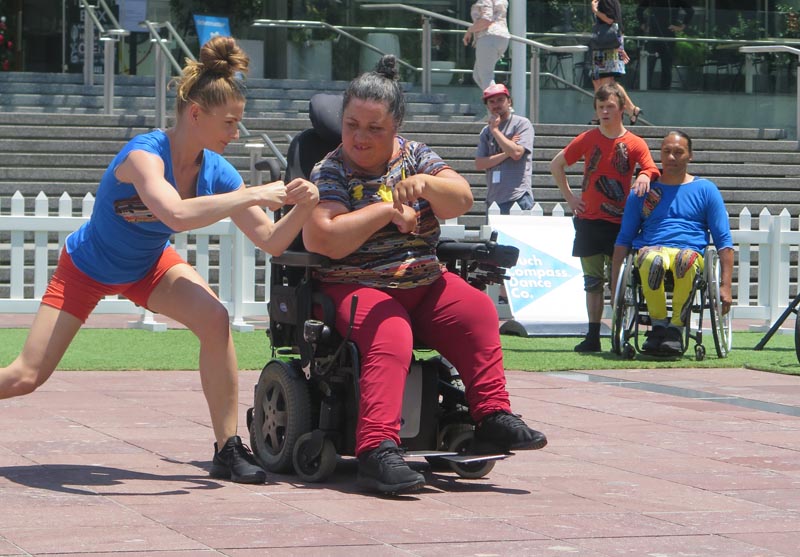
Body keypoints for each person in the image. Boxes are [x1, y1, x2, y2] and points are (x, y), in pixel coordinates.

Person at [0, 36, 319, 484]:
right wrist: (252, 194)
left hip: (148, 267)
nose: (236, 133)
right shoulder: (143, 155)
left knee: (215, 319)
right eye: (229, 123)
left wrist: (305, 205)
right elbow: (175, 214)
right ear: (195, 114)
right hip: (86, 268)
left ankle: (227, 447)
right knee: (26, 376)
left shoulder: (218, 172)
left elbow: (271, 241)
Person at [303, 55, 547, 495]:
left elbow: (461, 198)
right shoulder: (332, 168)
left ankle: (492, 415)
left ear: (395, 126)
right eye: (351, 125)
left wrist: (428, 185)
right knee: (389, 330)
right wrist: (384, 211)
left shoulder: (415, 155)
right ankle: (377, 449)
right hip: (354, 285)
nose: (360, 137)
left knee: (476, 310)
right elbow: (325, 238)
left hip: (422, 281)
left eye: (374, 128)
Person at [549, 82, 659, 353]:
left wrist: (644, 176)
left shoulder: (634, 142)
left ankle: (619, 333)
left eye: (610, 106)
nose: (605, 112)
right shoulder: (588, 138)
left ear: (621, 109)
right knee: (592, 281)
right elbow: (557, 164)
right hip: (589, 221)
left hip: (621, 224)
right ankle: (593, 335)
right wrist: (570, 198)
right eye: (601, 107)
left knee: (619, 282)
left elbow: (650, 167)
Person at [612, 131, 733, 354]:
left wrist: (725, 286)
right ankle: (658, 326)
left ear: (690, 156)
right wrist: (614, 284)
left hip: (689, 250)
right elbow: (624, 238)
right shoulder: (643, 190)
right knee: (651, 260)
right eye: (667, 151)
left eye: (678, 152)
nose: (671, 157)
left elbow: (723, 240)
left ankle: (676, 328)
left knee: (684, 261)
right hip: (652, 247)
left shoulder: (706, 190)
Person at [474, 82, 534, 215]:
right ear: (487, 106)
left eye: (500, 100)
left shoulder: (522, 124)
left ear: (509, 102)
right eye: (492, 102)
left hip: (518, 197)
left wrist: (495, 131)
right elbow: (480, 163)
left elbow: (517, 153)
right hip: (493, 199)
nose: (496, 105)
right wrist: (507, 152)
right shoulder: (486, 131)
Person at [590, 0, 643, 125]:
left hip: (606, 44)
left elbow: (610, 20)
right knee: (598, 80)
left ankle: (623, 110)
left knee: (606, 81)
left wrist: (595, 10)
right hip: (603, 45)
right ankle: (628, 109)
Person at [637, 0, 695, 90]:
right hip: (653, 34)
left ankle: (665, 89)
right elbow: (639, 10)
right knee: (649, 64)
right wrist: (643, 24)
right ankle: (645, 88)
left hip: (668, 34)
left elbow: (690, 11)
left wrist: (681, 27)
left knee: (667, 66)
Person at [463, 0, 510, 91]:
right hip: (502, 38)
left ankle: (499, 99)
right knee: (477, 75)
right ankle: (495, 97)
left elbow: (486, 20)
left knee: (486, 76)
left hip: (488, 37)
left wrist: (470, 30)